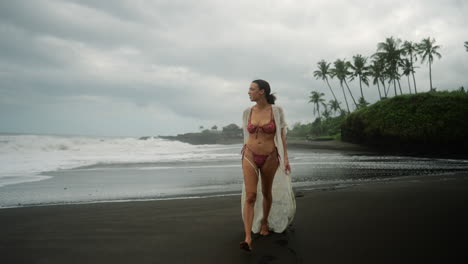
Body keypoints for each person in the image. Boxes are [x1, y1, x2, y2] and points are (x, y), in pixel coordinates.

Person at [239, 79, 296, 252]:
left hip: (270, 156)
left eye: (252, 89)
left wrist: (285, 158)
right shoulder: (247, 112)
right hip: (249, 154)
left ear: (262, 91)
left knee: (266, 192)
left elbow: (282, 135)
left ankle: (264, 222)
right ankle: (248, 238)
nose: (248, 92)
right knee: (250, 196)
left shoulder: (276, 111)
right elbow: (246, 134)